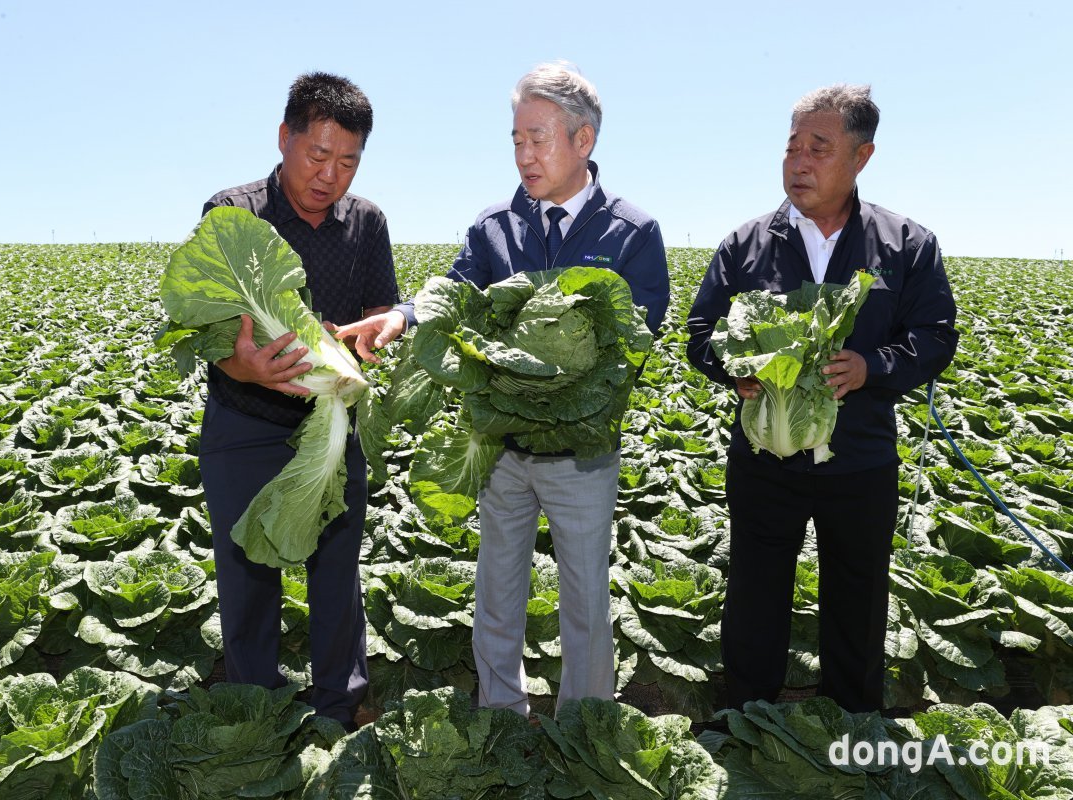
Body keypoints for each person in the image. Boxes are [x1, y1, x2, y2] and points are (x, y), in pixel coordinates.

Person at [336, 62, 669, 716]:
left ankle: (585, 729)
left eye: (538, 138)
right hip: (503, 449)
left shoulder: (633, 232)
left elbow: (634, 339)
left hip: (582, 453)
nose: (524, 154)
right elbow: (453, 291)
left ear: (584, 141)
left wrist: (552, 381)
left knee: (585, 606)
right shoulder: (494, 227)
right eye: (515, 139)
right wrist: (404, 316)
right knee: (496, 598)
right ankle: (500, 719)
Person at [685, 84, 958, 713]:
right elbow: (700, 334)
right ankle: (746, 717)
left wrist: (873, 366)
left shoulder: (906, 244)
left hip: (859, 459)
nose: (799, 162)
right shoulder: (745, 244)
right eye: (791, 147)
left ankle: (852, 723)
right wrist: (735, 370)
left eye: (818, 147)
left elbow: (936, 335)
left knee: (858, 599)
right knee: (755, 591)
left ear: (861, 158)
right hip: (765, 461)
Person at [197, 72, 399, 731]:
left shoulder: (366, 223)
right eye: (318, 155)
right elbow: (212, 323)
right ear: (285, 138)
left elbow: (377, 308)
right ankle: (254, 708)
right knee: (248, 571)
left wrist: (369, 340)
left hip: (333, 428)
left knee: (337, 573)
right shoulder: (234, 213)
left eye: (347, 162)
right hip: (245, 422)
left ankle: (337, 706)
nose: (329, 175)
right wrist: (249, 369)